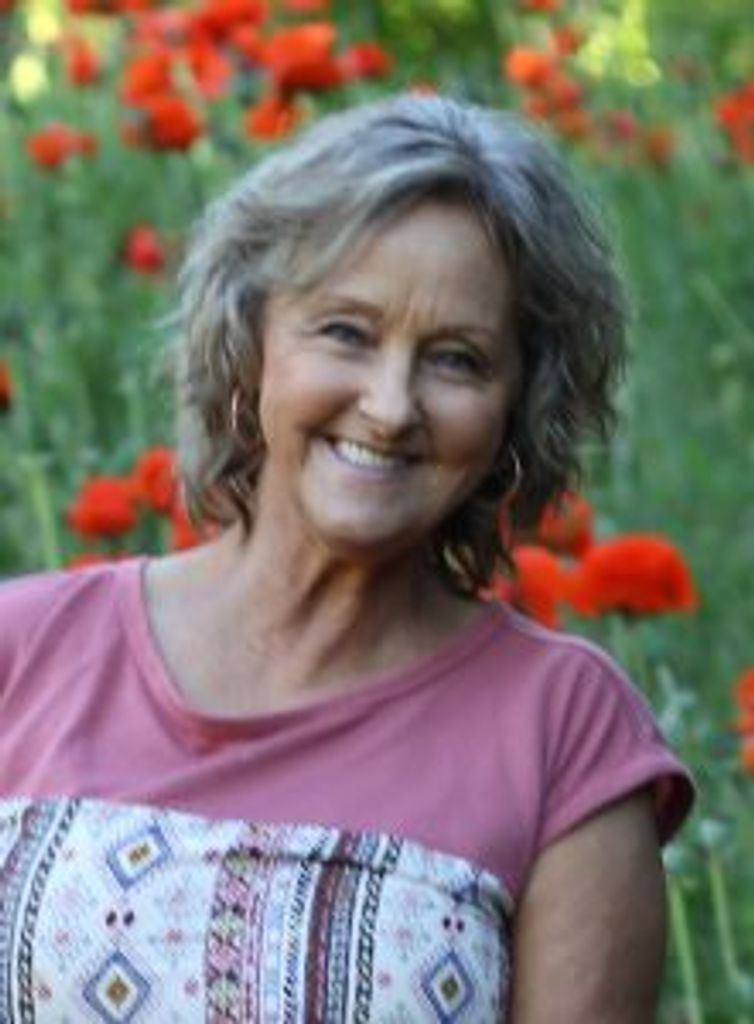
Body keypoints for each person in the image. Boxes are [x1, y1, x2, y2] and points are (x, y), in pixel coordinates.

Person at [0, 94, 692, 1022]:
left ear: (518, 409)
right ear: (251, 344)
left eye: (456, 359)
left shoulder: (566, 731)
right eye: (347, 333)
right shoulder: (22, 652)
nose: (392, 405)